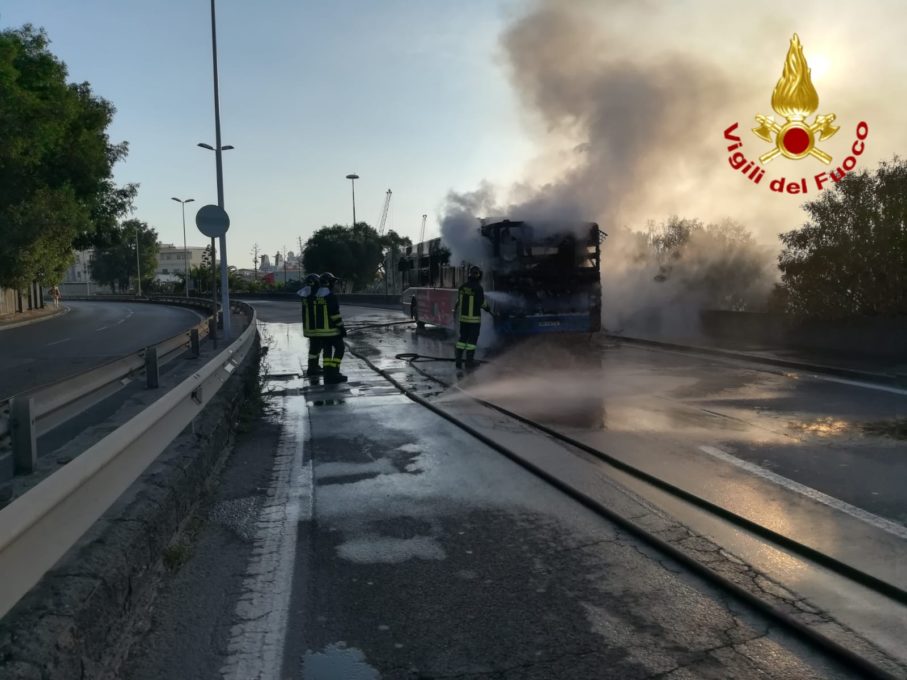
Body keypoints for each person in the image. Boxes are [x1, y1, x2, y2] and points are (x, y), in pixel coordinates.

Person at [311, 272, 348, 384]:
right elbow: (335, 315)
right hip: (331, 331)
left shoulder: (315, 296)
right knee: (340, 348)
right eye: (333, 282)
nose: (334, 284)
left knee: (327, 351)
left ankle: (327, 373)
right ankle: (334, 372)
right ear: (329, 283)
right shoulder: (330, 296)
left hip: (320, 332)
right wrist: (341, 328)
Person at [454, 265, 491, 369]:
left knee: (462, 339)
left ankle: (458, 360)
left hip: (463, 320)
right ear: (478, 276)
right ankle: (469, 362)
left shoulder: (462, 287)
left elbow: (459, 302)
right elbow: (481, 303)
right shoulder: (478, 288)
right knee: (471, 342)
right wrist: (488, 308)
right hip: (474, 321)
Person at [297, 273, 322, 376]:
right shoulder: (314, 294)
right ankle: (312, 367)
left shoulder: (305, 293)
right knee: (315, 347)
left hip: (308, 325)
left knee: (314, 347)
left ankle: (314, 365)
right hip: (314, 325)